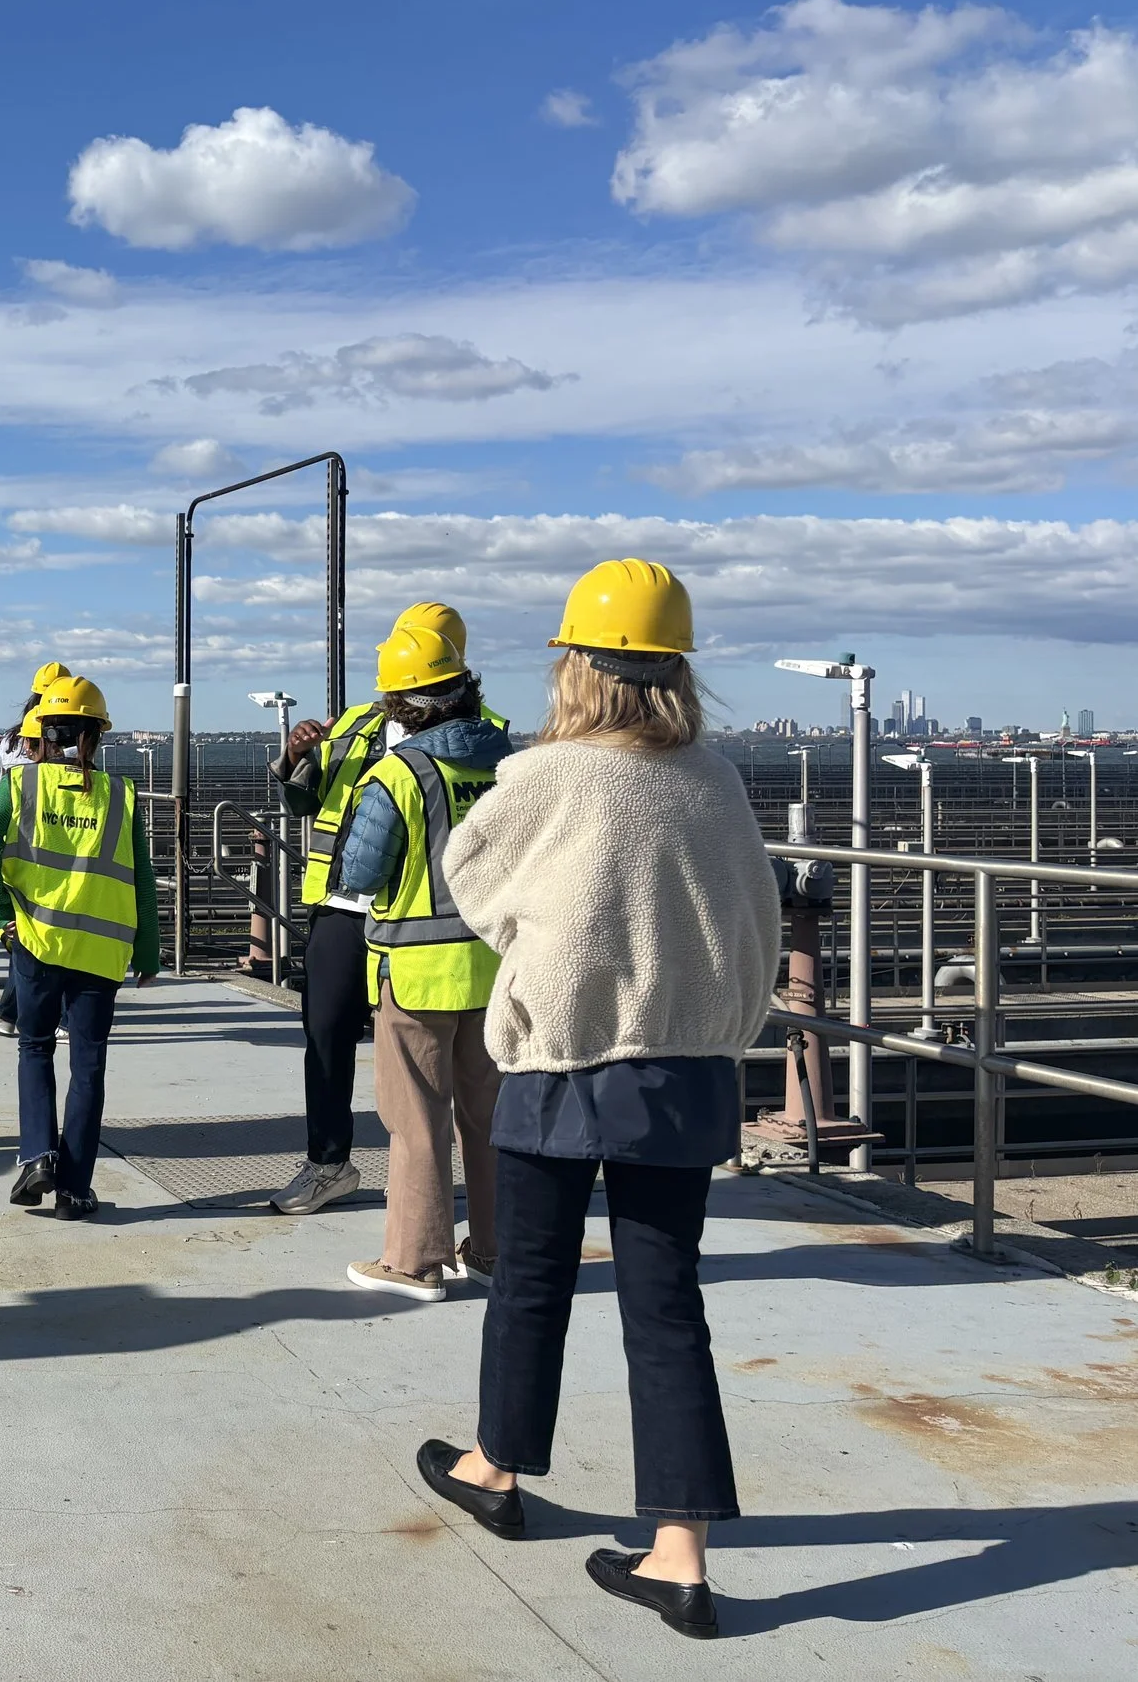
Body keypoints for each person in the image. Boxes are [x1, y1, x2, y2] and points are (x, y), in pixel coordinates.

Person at [413, 560, 779, 1641]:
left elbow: (469, 881)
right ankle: (679, 1556)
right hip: (686, 1072)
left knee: (530, 1281)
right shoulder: (713, 779)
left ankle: (496, 1468)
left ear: (575, 664)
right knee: (668, 1311)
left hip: (564, 1065)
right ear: (675, 671)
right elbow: (754, 915)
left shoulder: (545, 775)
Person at [268, 600, 492, 1218]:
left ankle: (426, 1176)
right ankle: (329, 1163)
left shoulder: (481, 733)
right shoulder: (358, 725)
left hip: (429, 914)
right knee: (328, 1035)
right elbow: (301, 799)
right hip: (342, 907)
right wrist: (295, 756)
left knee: (444, 1055)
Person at [333, 624, 511, 1301]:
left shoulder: (397, 775)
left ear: (402, 705)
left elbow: (362, 869)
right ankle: (494, 1249)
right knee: (489, 1119)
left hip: (414, 972)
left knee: (415, 1120)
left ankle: (414, 1260)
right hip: (494, 970)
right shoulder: (504, 766)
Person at [0, 675, 157, 1220]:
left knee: (34, 1048)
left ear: (42, 733)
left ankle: (36, 1158)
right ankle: (75, 1190)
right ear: (97, 735)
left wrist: (1, 919)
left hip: (37, 943)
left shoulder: (22, 785)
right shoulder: (122, 794)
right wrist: (148, 953)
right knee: (89, 1066)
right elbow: (141, 878)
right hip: (101, 951)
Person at [0, 663, 70, 1035]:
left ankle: (10, 1012)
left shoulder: (14, 739)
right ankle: (49, 1016)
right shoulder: (62, 735)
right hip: (56, 842)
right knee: (45, 937)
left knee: (24, 932)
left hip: (16, 845)